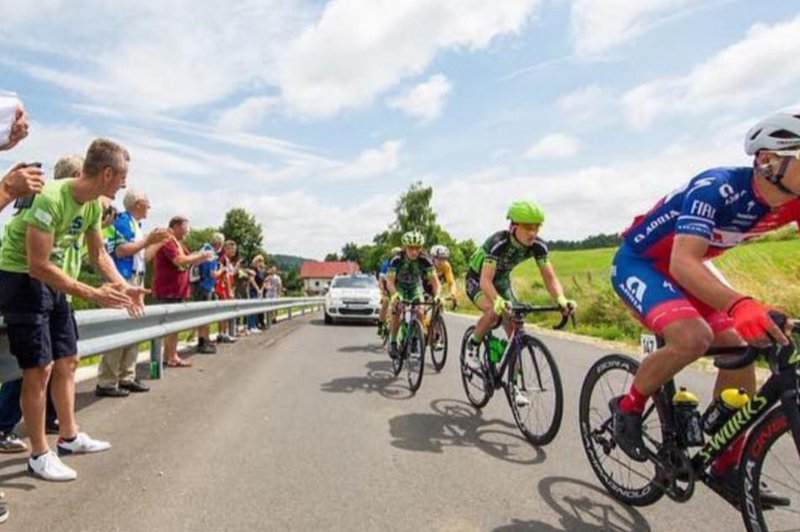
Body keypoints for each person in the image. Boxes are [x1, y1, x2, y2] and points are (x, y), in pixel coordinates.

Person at [608, 109, 800, 504]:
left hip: (689, 267)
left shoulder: (794, 202)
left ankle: (727, 465)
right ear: (768, 160)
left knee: (743, 346)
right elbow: (682, 262)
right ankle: (628, 408)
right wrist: (740, 302)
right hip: (643, 262)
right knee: (694, 337)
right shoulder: (717, 187)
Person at [0, 138, 145, 481]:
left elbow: (98, 254)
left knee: (68, 359)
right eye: (122, 176)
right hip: (20, 276)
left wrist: (123, 287)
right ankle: (39, 454)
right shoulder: (51, 197)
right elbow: (37, 265)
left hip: (52, 278)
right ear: (107, 173)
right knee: (39, 368)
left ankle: (69, 436)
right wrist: (92, 293)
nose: (124, 184)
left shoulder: (94, 204)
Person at [464, 200, 576, 406]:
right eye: (528, 227)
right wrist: (497, 300)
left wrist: (560, 298)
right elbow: (485, 281)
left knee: (514, 327)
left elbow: (549, 278)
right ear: (513, 226)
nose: (533, 232)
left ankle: (513, 387)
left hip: (502, 281)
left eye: (537, 227)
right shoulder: (498, 243)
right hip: (478, 280)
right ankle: (473, 346)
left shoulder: (538, 246)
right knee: (492, 311)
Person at [97, 188, 169, 396]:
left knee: (134, 329)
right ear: (137, 203)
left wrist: (158, 242)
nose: (149, 206)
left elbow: (142, 256)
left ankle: (126, 376)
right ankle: (107, 381)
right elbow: (120, 250)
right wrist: (148, 240)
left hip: (136, 277)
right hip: (122, 279)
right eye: (147, 202)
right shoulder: (121, 222)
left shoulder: (136, 226)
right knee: (117, 330)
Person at [152, 216, 215, 367]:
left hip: (177, 290)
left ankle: (170, 356)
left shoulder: (178, 243)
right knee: (170, 327)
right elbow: (179, 261)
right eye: (186, 227)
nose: (188, 230)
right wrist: (201, 256)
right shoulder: (168, 242)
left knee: (174, 326)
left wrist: (202, 257)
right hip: (168, 290)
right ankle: (171, 357)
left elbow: (188, 258)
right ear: (176, 227)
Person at [386, 231, 441, 359]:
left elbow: (435, 281)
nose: (414, 251)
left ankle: (416, 340)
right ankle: (393, 341)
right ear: (405, 247)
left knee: (420, 311)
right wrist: (394, 295)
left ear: (421, 248)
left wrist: (437, 295)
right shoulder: (396, 259)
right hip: (399, 287)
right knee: (397, 310)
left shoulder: (425, 260)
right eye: (411, 248)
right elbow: (389, 281)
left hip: (415, 287)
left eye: (417, 248)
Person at [193, 232, 224, 353]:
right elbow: (213, 274)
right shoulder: (211, 253)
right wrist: (222, 269)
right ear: (219, 244)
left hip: (198, 285)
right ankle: (203, 342)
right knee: (205, 316)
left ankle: (203, 340)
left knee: (201, 315)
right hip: (205, 286)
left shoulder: (204, 248)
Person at [377, 247, 400, 337]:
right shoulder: (386, 264)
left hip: (397, 286)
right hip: (386, 286)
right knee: (386, 302)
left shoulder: (402, 263)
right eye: (395, 254)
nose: (397, 256)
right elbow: (381, 279)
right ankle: (381, 323)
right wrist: (383, 290)